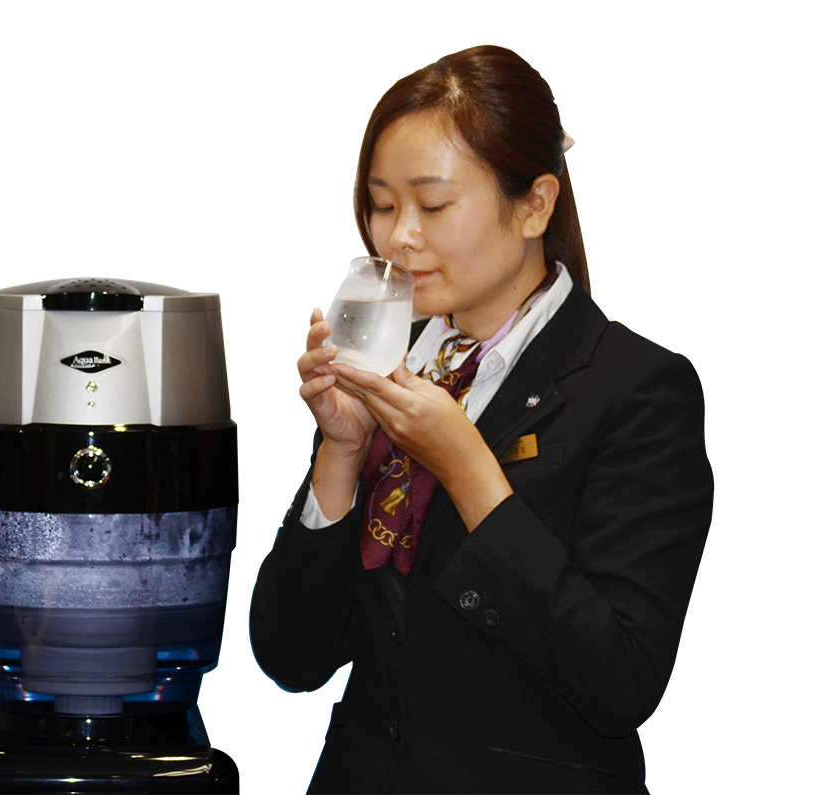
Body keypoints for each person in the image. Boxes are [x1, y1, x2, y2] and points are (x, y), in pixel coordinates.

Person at [249, 45, 712, 794]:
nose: (399, 237)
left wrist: (467, 467)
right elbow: (291, 657)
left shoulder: (637, 390)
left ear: (534, 205)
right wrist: (340, 451)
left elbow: (621, 679)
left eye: (432, 206)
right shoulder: (391, 365)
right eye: (382, 204)